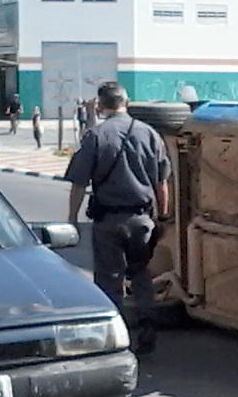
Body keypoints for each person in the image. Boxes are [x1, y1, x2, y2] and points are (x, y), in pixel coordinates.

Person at [63, 81, 171, 355]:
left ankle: (117, 336)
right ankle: (147, 322)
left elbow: (79, 182)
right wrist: (163, 216)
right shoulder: (149, 134)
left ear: (100, 106)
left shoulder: (95, 136)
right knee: (141, 272)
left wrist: (72, 218)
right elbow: (162, 183)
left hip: (109, 221)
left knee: (109, 278)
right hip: (142, 220)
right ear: (127, 102)